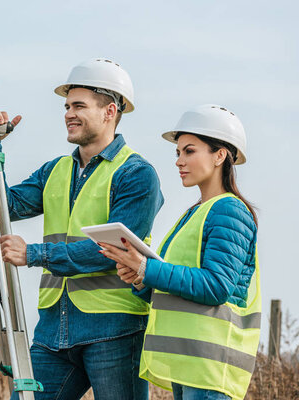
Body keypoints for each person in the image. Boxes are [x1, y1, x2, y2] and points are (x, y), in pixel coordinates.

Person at [0, 58, 163, 399]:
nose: (68, 113)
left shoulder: (136, 174)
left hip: (114, 328)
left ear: (110, 111)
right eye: (67, 106)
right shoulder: (55, 170)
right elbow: (1, 207)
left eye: (79, 105)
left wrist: (34, 254)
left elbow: (112, 251)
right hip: (53, 329)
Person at [98, 104, 261, 400]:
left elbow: (216, 286)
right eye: (178, 153)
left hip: (210, 370)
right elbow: (178, 286)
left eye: (189, 151)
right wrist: (139, 278)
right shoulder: (196, 213)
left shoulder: (229, 211)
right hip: (190, 365)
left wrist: (147, 268)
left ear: (220, 155)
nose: (178, 161)